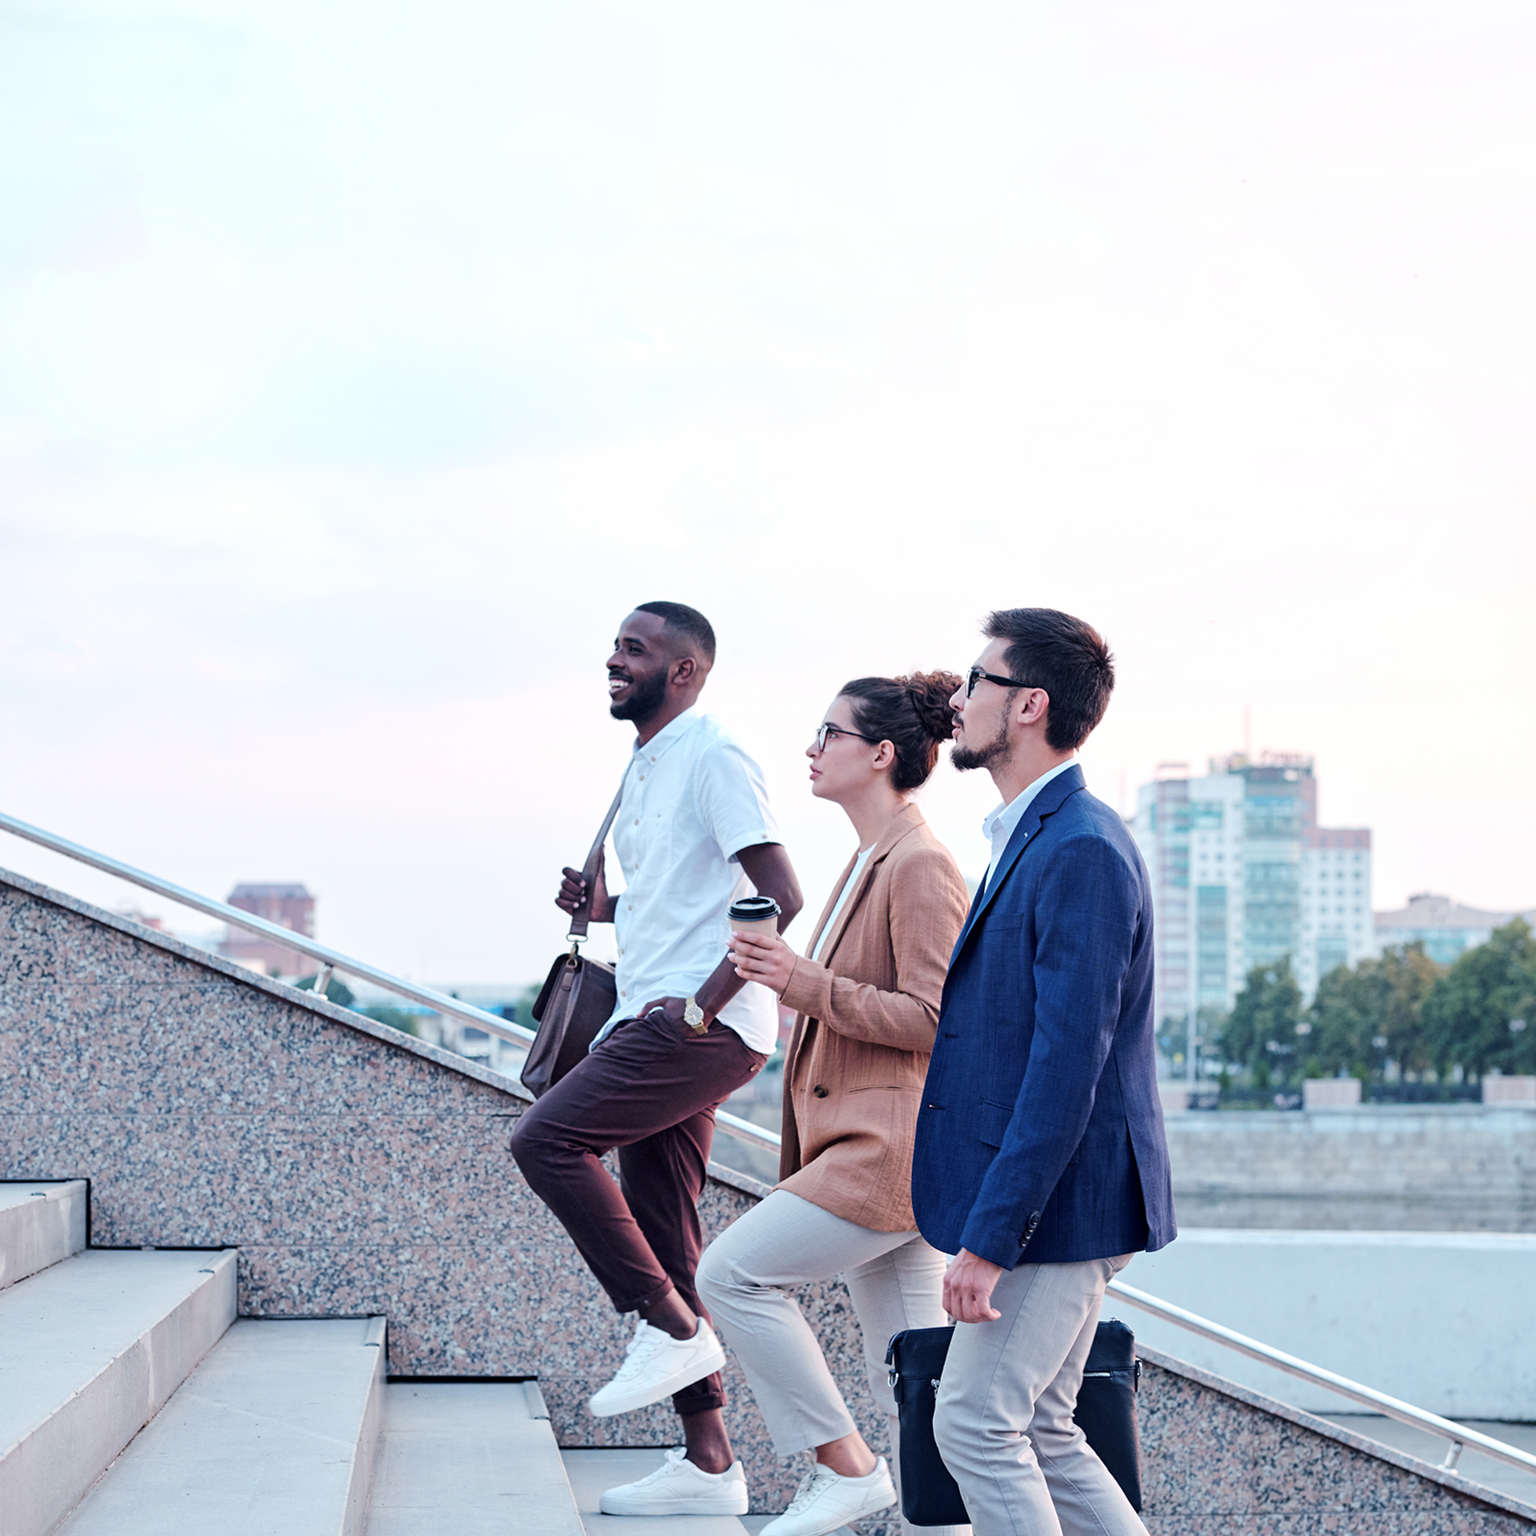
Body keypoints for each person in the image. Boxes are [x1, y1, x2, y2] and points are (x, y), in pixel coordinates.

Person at [509, 601, 804, 1519]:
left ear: (684, 670)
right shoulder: (646, 763)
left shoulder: (715, 754)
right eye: (614, 646)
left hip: (697, 1024)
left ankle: (670, 1326)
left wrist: (702, 1003)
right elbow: (680, 897)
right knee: (667, 1228)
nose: (613, 660)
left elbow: (780, 893)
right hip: (661, 1010)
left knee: (545, 1143)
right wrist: (604, 910)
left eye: (633, 650)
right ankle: (711, 1460)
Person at [912, 608, 1176, 1536]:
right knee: (1047, 1430)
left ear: (1027, 704)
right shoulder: (1036, 835)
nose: (956, 697)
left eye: (975, 681)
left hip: (1062, 1206)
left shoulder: (1081, 850)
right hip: (1059, 1199)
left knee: (978, 1423)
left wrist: (992, 1237)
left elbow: (1067, 1068)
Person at [695, 672, 971, 1536]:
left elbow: (937, 1020)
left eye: (830, 734)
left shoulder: (921, 866)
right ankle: (943, 1523)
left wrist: (801, 982)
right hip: (871, 1150)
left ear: (881, 754)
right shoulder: (871, 860)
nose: (811, 750)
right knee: (922, 1383)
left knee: (730, 1274)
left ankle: (844, 1467)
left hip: (884, 1156)